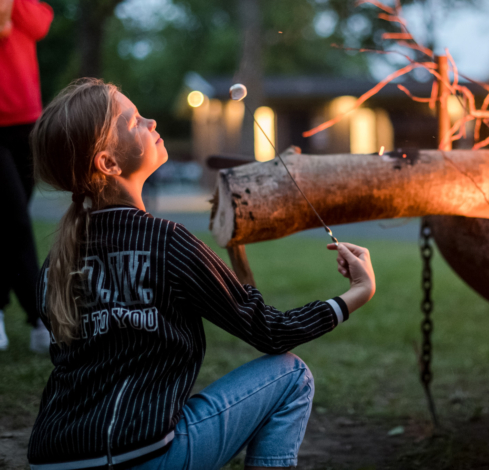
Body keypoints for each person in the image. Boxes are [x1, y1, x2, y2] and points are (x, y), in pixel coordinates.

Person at [27, 78, 376, 470]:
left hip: (51, 460)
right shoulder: (166, 242)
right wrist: (356, 293)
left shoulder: (54, 264)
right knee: (291, 374)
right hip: (139, 457)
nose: (153, 122)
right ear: (108, 162)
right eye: (134, 121)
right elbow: (271, 334)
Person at [0, 0, 53, 352]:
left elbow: (39, 24)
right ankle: (38, 316)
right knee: (15, 217)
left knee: (8, 222)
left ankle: (25, 315)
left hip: (26, 122)